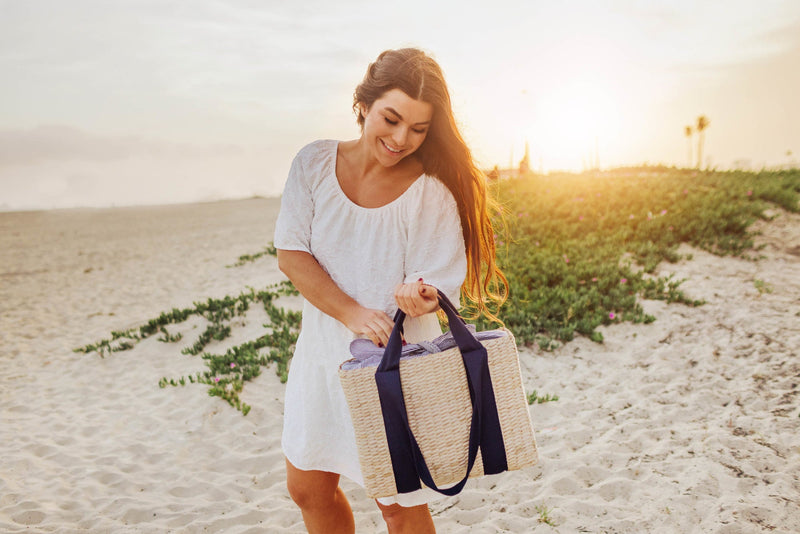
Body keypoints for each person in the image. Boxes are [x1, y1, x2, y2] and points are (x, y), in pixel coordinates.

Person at [273, 48, 507, 534]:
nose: (401, 139)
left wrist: (418, 294)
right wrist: (352, 313)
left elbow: (437, 284)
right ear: (364, 103)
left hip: (393, 367)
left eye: (418, 129)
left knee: (397, 505)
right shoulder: (314, 163)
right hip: (320, 357)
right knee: (308, 488)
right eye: (392, 119)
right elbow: (291, 253)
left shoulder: (430, 192)